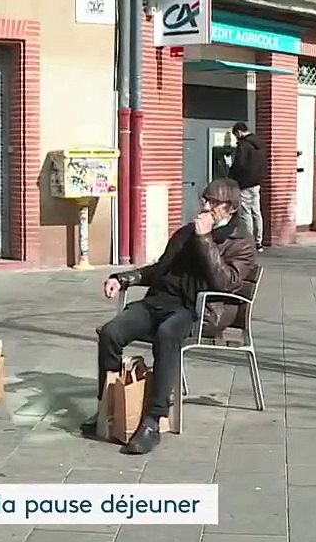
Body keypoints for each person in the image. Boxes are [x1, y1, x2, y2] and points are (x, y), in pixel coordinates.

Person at [83, 178, 258, 455]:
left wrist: (205, 240)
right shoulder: (187, 232)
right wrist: (123, 278)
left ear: (230, 209)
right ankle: (108, 407)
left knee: (167, 334)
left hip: (198, 310)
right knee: (111, 333)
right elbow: (160, 268)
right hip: (159, 301)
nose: (205, 206)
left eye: (213, 203)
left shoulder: (241, 243)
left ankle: (154, 420)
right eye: (204, 200)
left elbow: (225, 282)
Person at [228, 122, 265, 253]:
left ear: (238, 132)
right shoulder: (259, 144)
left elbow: (239, 165)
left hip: (244, 184)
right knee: (256, 212)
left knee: (245, 213)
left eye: (235, 135)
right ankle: (258, 241)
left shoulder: (243, 146)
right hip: (256, 183)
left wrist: (231, 174)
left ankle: (249, 242)